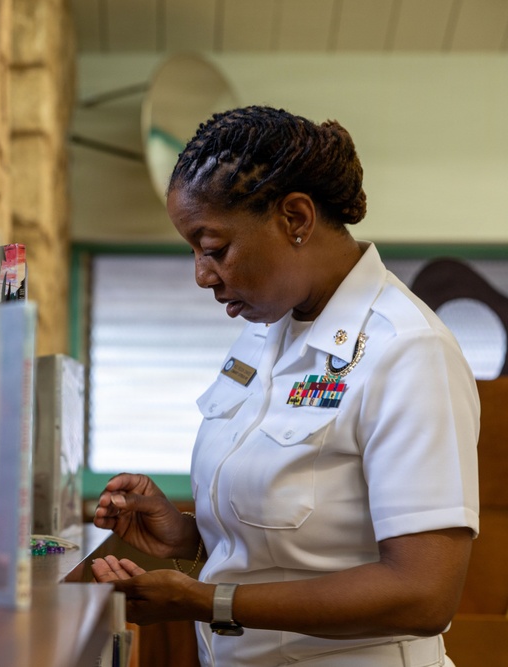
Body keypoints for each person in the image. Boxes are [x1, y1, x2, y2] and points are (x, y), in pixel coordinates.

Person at [90, 105, 479, 667]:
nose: (201, 274)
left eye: (213, 246)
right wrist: (190, 536)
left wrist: (209, 600)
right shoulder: (263, 334)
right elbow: (307, 541)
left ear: (295, 218)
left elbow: (423, 594)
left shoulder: (409, 352)